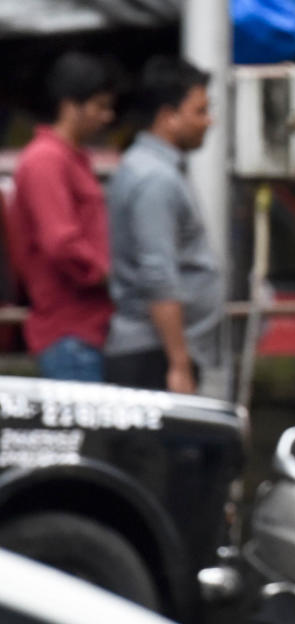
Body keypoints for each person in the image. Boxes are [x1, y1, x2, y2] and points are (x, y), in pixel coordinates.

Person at [104, 56, 219, 394]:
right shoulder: (154, 178)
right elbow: (158, 277)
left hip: (158, 353)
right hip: (153, 357)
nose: (209, 121)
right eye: (200, 111)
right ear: (169, 117)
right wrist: (178, 365)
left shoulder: (153, 168)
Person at [11, 52, 116, 381]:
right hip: (68, 334)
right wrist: (110, 275)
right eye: (99, 106)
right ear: (71, 106)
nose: (106, 116)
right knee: (87, 433)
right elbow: (61, 241)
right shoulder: (46, 160)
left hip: (87, 330)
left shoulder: (73, 157)